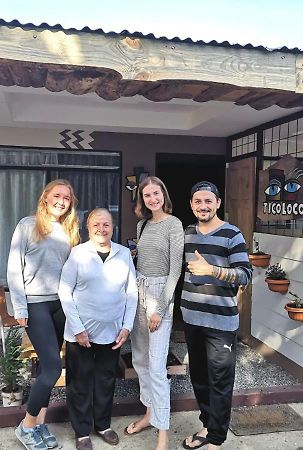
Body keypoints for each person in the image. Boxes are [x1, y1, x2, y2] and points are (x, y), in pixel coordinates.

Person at [7, 179, 80, 450]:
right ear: (46, 198)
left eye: (67, 197)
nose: (62, 201)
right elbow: (15, 267)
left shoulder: (69, 230)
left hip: (60, 305)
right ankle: (26, 427)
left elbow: (72, 270)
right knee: (51, 367)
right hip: (35, 304)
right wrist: (20, 307)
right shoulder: (28, 225)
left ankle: (40, 424)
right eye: (57, 195)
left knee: (50, 366)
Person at [58, 208, 138, 450]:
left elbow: (131, 292)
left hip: (112, 334)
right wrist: (78, 329)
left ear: (112, 227)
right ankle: (82, 431)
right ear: (87, 228)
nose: (101, 229)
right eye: (96, 225)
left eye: (106, 225)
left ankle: (102, 425)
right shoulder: (78, 254)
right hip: (79, 333)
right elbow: (65, 291)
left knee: (105, 381)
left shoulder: (124, 254)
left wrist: (127, 327)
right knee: (80, 383)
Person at [181, 181, 252, 450]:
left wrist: (213, 270)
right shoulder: (187, 233)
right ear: (191, 205)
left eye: (208, 201)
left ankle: (217, 441)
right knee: (199, 378)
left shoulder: (232, 234)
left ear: (218, 203)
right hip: (191, 317)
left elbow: (245, 275)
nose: (203, 206)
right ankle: (208, 425)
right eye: (198, 201)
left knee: (220, 381)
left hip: (220, 323)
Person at [125, 176, 184, 450]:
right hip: (139, 292)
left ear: (164, 194)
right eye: (147, 195)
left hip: (161, 296)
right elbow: (140, 262)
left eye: (156, 194)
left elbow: (175, 271)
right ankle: (149, 414)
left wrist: (159, 309)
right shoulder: (142, 224)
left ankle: (163, 431)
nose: (152, 199)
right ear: (142, 200)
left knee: (158, 367)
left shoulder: (174, 224)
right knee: (140, 361)